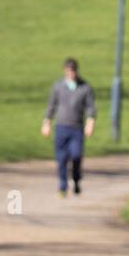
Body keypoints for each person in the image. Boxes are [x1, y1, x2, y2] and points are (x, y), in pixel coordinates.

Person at [41, 57, 96, 197]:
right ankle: (63, 186)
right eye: (68, 71)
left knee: (76, 155)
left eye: (73, 71)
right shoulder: (58, 86)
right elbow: (51, 106)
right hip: (61, 127)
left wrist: (90, 123)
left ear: (76, 71)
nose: (70, 73)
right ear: (64, 71)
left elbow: (90, 107)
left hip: (76, 128)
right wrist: (46, 122)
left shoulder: (85, 87)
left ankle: (76, 180)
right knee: (62, 158)